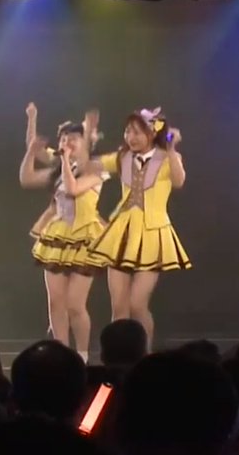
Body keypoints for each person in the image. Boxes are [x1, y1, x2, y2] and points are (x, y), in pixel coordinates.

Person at [82, 108, 190, 344]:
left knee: (137, 304)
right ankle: (118, 356)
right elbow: (87, 166)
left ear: (152, 133)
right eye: (128, 132)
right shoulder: (123, 158)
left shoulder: (166, 158)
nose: (131, 137)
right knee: (119, 307)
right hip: (121, 233)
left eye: (137, 132)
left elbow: (179, 181)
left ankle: (144, 354)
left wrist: (172, 148)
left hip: (152, 233)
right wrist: (89, 132)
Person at [20, 103, 107, 359]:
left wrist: (66, 160)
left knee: (75, 304)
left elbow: (72, 189)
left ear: (86, 143)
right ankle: (60, 354)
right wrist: (32, 119)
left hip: (85, 237)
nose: (67, 142)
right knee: (56, 302)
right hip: (58, 235)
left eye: (73, 138)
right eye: (64, 138)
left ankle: (81, 355)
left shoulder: (96, 169)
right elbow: (27, 176)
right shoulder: (60, 167)